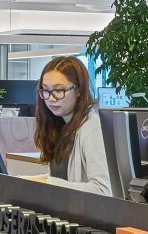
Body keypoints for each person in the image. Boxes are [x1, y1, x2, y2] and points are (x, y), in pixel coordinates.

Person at [32, 56, 112, 196]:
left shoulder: (92, 127)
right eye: (45, 90)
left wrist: (48, 183)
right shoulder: (60, 125)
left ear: (78, 90)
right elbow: (63, 179)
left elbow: (102, 190)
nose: (51, 98)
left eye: (59, 90)